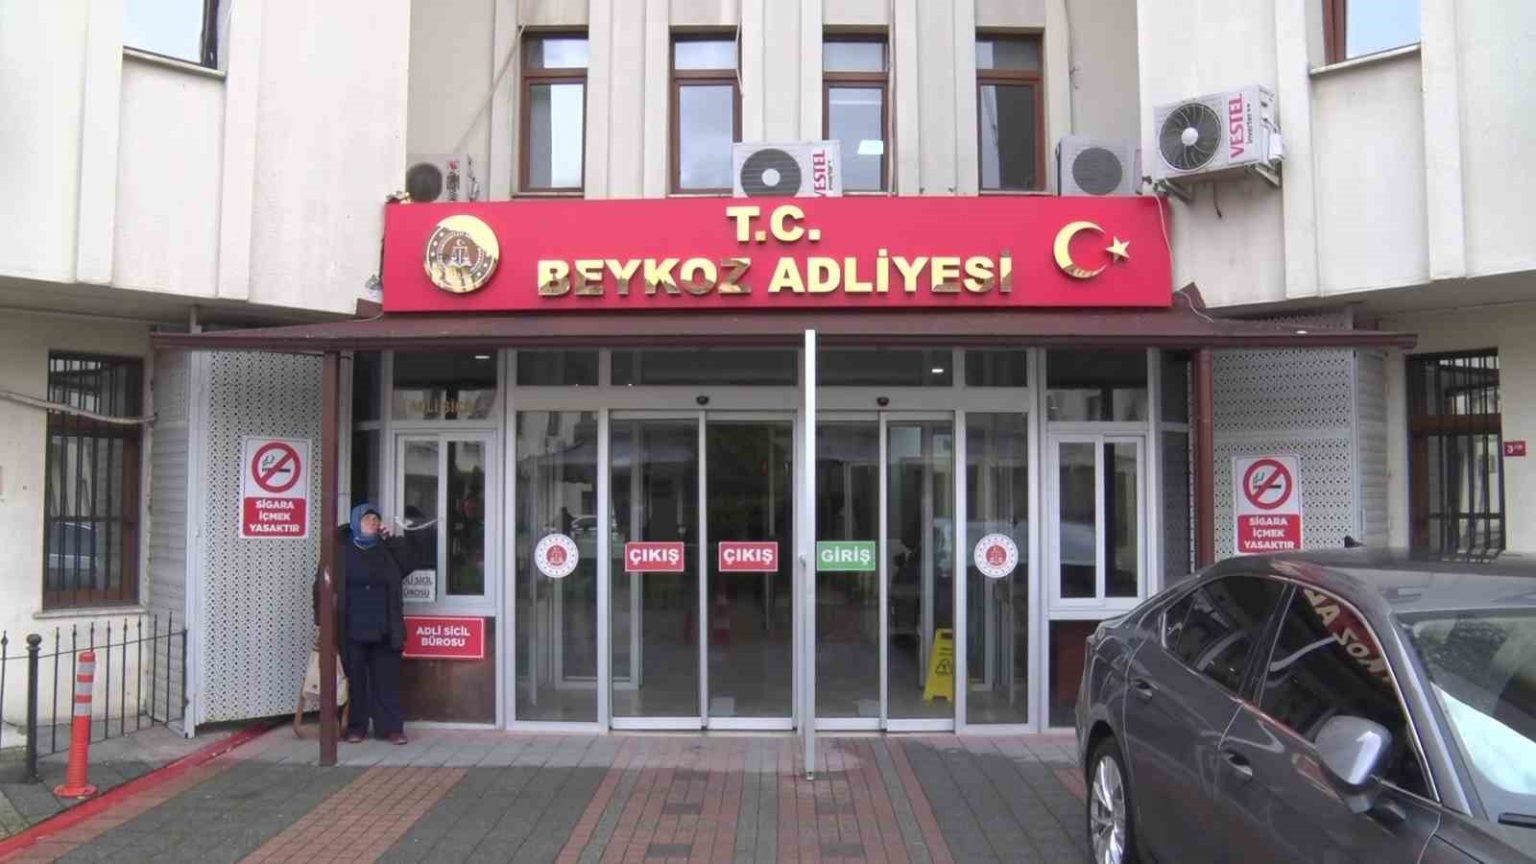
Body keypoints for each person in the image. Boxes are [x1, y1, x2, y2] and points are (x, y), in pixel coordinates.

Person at [312, 503, 430, 744]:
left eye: (376, 520)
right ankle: (357, 727)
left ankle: (391, 728)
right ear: (356, 522)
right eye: (367, 519)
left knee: (387, 681)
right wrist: (322, 621)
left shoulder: (387, 550)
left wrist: (391, 539)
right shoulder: (340, 552)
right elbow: (320, 587)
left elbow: (411, 562)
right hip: (352, 627)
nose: (373, 523)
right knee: (356, 681)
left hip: (384, 627)